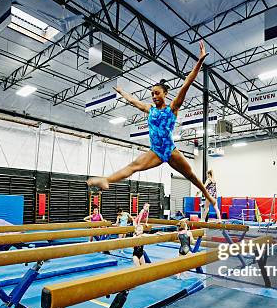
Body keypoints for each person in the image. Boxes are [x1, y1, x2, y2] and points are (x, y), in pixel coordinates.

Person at [86, 41, 221, 217]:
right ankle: (106, 180)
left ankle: (208, 196)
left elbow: (187, 83)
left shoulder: (172, 108)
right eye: (152, 94)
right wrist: (121, 92)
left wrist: (200, 61)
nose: (154, 96)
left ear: (164, 93)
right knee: (133, 166)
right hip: (156, 151)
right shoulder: (149, 109)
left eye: (157, 93)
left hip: (170, 151)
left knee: (192, 176)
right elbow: (133, 101)